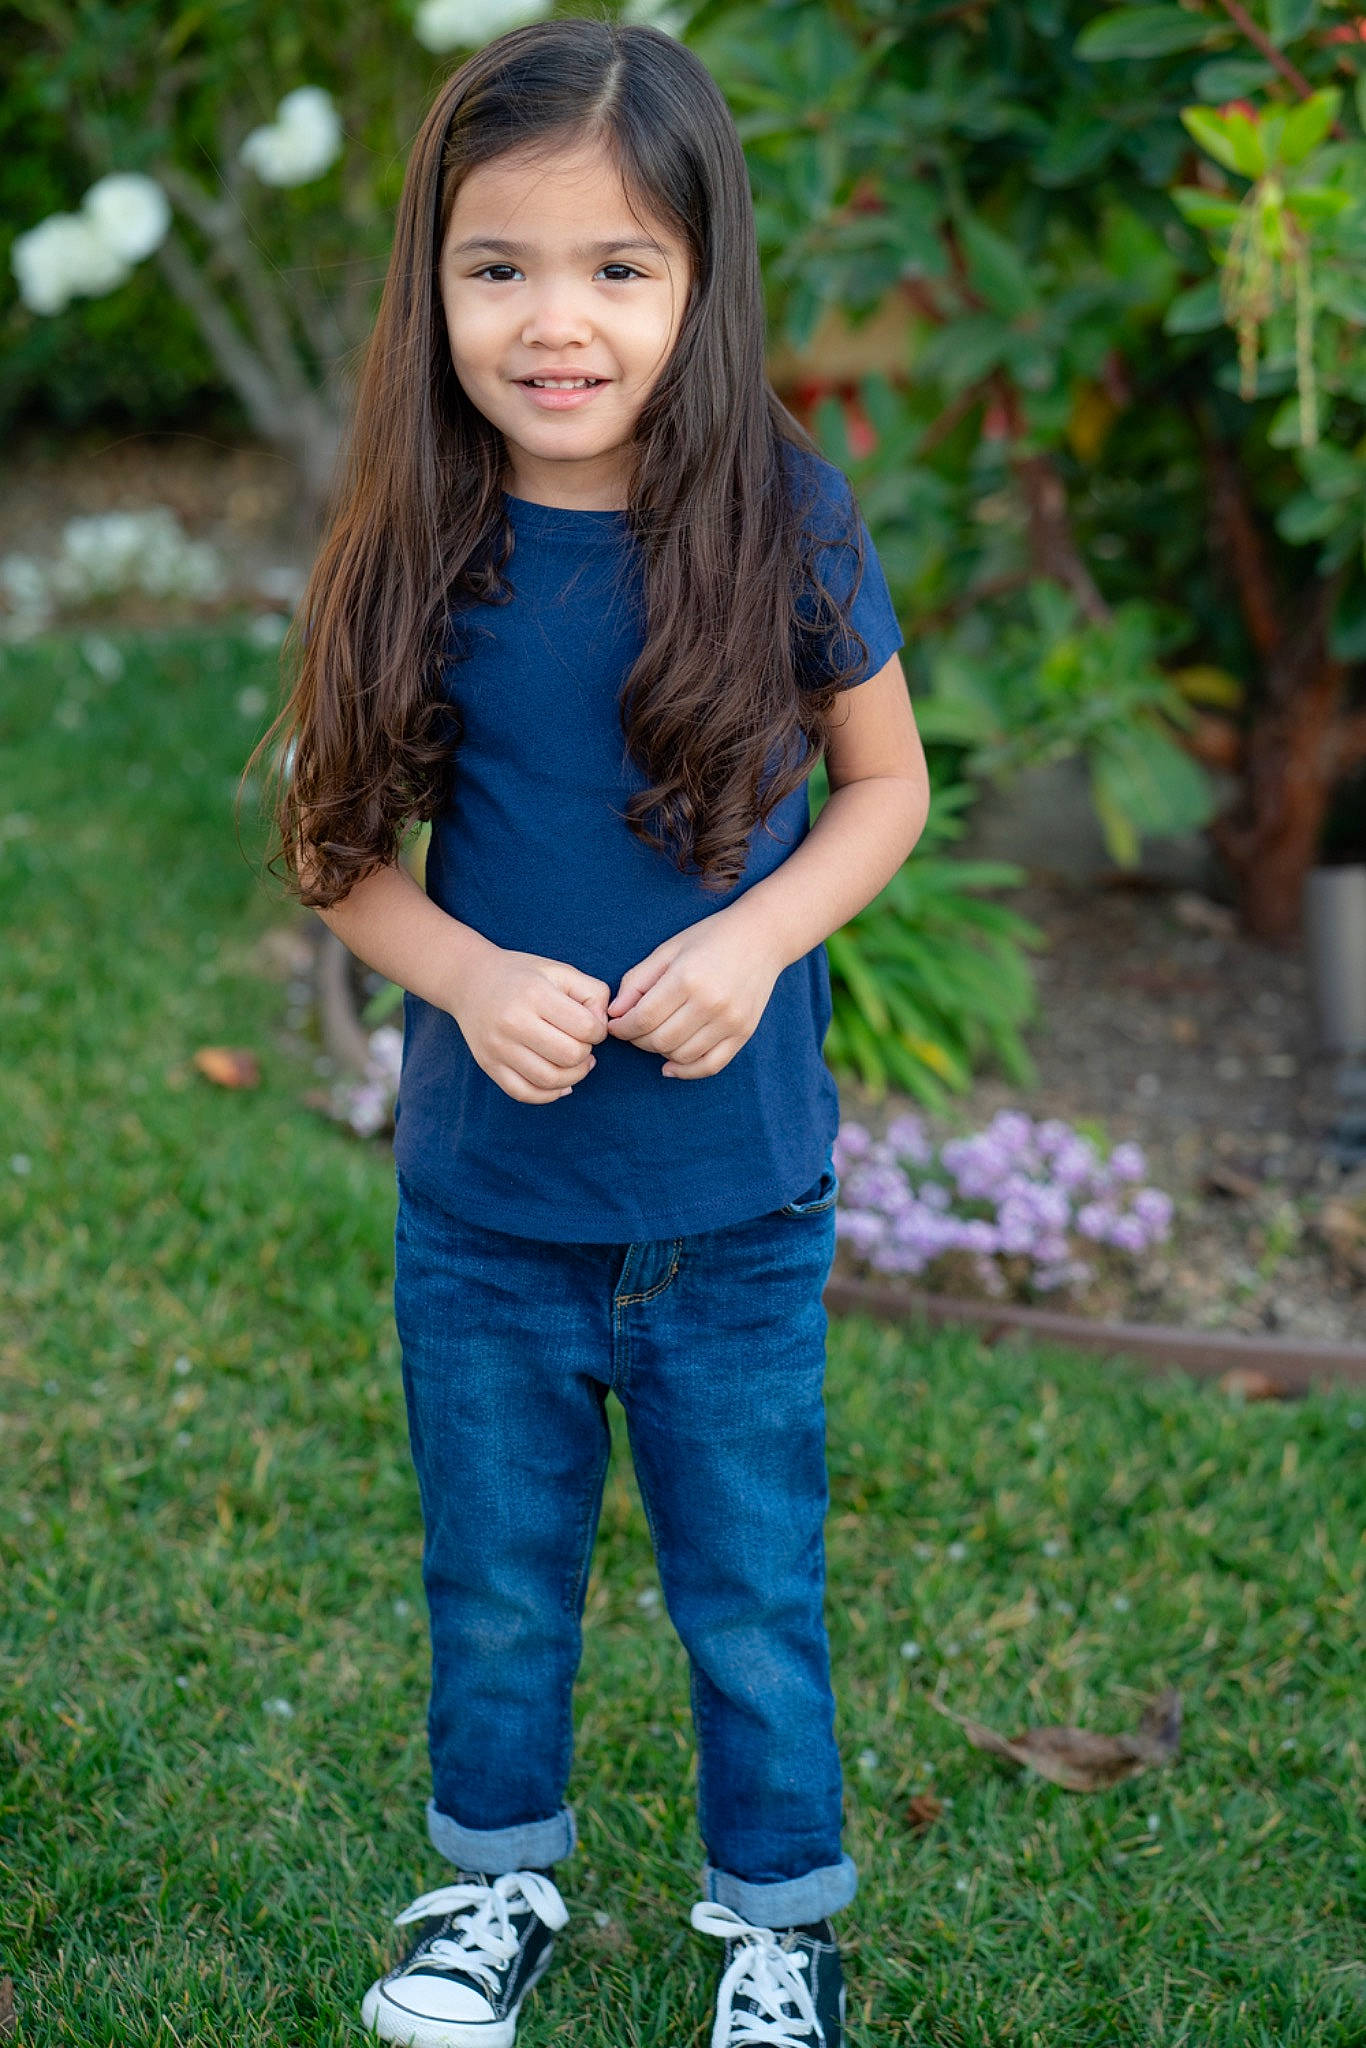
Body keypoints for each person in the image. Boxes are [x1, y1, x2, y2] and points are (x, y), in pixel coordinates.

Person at [250, 16, 928, 2045]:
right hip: (485, 1211)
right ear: (431, 279)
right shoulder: (412, 537)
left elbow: (884, 788)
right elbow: (329, 846)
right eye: (500, 266)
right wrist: (454, 971)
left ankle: (777, 1926)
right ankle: (491, 1886)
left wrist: (757, 935)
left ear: (700, 282)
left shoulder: (780, 517)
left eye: (617, 269)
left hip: (732, 1209)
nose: (557, 322)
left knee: (746, 1600)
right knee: (495, 1590)